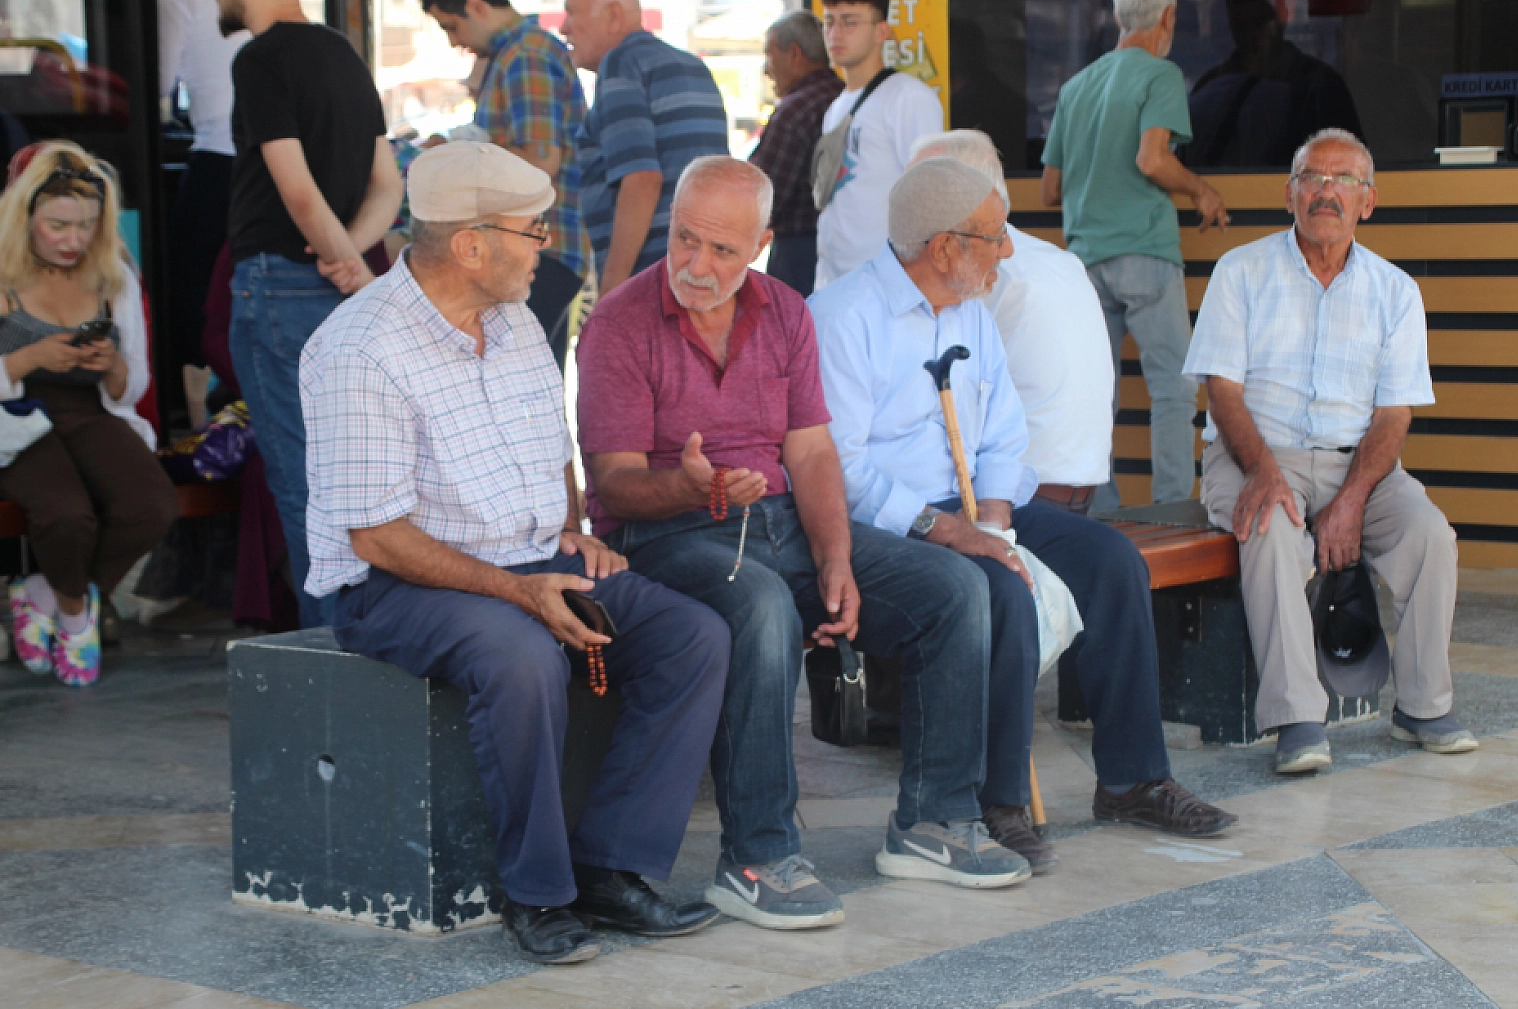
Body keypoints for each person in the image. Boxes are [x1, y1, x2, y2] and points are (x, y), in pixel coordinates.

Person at [302, 142, 729, 964]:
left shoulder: (517, 318)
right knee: (523, 653)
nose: (548, 245)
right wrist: (516, 589)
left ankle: (614, 866)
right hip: (400, 582)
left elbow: (551, 445)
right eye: (534, 230)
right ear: (471, 243)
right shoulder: (361, 348)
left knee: (694, 636)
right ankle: (538, 892)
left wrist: (571, 527)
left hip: (530, 554)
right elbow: (378, 536)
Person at [576, 156, 1029, 930]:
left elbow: (814, 452)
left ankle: (933, 822)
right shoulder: (619, 322)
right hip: (670, 532)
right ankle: (758, 855)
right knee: (757, 603)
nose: (697, 264)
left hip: (781, 520)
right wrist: (692, 488)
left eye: (723, 249)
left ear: (760, 243)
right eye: (685, 239)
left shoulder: (784, 309)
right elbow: (613, 484)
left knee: (953, 588)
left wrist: (837, 557)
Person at [809, 158, 1236, 875]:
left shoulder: (971, 309)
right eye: (994, 235)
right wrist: (955, 532)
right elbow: (841, 469)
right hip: (898, 526)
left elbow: (1004, 433)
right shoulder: (842, 318)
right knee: (999, 587)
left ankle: (1133, 778)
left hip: (981, 507)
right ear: (944, 247)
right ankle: (996, 802)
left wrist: (998, 519)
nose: (1008, 250)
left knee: (1111, 562)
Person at [1183, 128, 1472, 775]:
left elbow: (1394, 414)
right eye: (1314, 178)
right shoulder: (1241, 271)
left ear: (1368, 201)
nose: (1327, 192)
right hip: (1254, 451)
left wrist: (1351, 499)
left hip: (1357, 463)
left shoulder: (1395, 292)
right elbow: (1222, 390)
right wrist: (1263, 471)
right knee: (1272, 525)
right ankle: (1297, 718)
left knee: (1429, 533)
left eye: (1345, 181)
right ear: (1290, 194)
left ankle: (1423, 704)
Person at [215, 0, 403, 628]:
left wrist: (342, 257)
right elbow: (390, 183)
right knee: (355, 477)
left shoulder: (259, 61)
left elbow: (296, 191)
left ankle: (329, 658)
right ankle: (367, 640)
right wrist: (353, 259)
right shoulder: (343, 53)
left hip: (278, 288)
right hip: (337, 287)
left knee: (302, 482)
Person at [1040, 0, 1229, 507]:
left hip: (1084, 260)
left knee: (1098, 392)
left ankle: (1101, 511)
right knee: (1173, 387)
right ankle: (1171, 510)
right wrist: (1200, 191)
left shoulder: (1076, 87)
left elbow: (1051, 189)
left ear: (1121, 17)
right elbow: (1153, 158)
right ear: (1168, 16)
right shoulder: (1160, 75)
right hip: (1145, 251)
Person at [0, 143, 177, 685]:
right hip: (13, 415)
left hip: (89, 407)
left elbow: (132, 388)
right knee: (65, 512)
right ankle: (77, 621)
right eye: (58, 225)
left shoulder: (113, 274)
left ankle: (45, 593)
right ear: (25, 216)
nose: (74, 240)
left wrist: (111, 363)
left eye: (86, 226)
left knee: (151, 505)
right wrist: (27, 358)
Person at [911, 130, 1115, 516]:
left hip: (1021, 498)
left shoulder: (977, 269)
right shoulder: (1056, 259)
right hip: (1081, 491)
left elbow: (924, 394)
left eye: (918, 187)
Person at [419, 0, 590, 364]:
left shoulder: (526, 55)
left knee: (517, 386)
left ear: (477, 5)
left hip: (537, 251)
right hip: (532, 250)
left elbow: (540, 160)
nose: (454, 42)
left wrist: (458, 157)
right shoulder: (512, 55)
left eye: (451, 27)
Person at [565, 0, 729, 297]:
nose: (563, 27)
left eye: (572, 13)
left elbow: (641, 178)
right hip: (705, 272)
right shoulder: (693, 67)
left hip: (651, 278)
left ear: (613, 16)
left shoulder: (621, 64)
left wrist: (613, 289)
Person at [156, 0, 249, 374]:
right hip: (255, 157)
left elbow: (158, 80)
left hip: (214, 154)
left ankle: (194, 385)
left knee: (190, 279)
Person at [813, 0, 944, 290]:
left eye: (850, 21)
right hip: (835, 279)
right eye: (829, 21)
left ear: (881, 30)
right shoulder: (836, 107)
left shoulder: (908, 97)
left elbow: (930, 193)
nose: (836, 33)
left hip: (887, 280)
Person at [1185, 0, 1363, 169]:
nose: (1253, 37)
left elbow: (1353, 165)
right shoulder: (1210, 88)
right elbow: (1185, 163)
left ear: (1278, 24)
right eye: (1240, 26)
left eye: (1258, 24)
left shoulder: (1321, 86)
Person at [749, 10, 842, 296]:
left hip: (799, 252)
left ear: (794, 55)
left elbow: (763, 196)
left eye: (770, 55)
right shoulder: (845, 96)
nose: (767, 69)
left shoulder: (795, 111)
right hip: (842, 247)